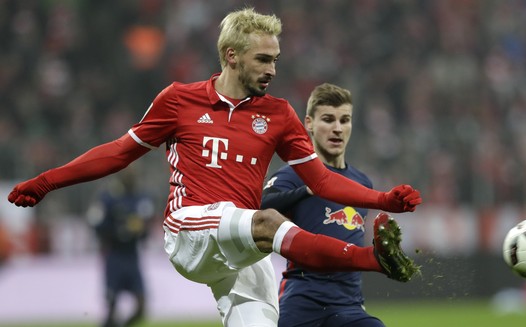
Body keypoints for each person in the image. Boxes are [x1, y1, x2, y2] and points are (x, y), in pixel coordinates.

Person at [7, 7, 422, 327]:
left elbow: (323, 180)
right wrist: (46, 182)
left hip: (239, 245)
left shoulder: (279, 114)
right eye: (263, 59)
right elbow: (119, 151)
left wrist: (383, 198)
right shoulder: (178, 100)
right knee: (267, 222)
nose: (273, 70)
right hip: (188, 230)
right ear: (232, 56)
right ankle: (373, 260)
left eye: (276, 59)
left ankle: (372, 259)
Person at [262, 83, 418, 327]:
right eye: (328, 119)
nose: (337, 128)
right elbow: (261, 207)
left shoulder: (361, 181)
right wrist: (306, 190)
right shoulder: (293, 175)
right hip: (303, 298)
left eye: (344, 120)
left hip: (348, 304)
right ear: (309, 123)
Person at [86, 168, 155, 327]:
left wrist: (140, 231)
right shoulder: (108, 198)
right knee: (112, 306)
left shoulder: (141, 199)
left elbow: (146, 229)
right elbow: (96, 224)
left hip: (132, 257)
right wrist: (118, 231)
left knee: (141, 306)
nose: (132, 179)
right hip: (114, 256)